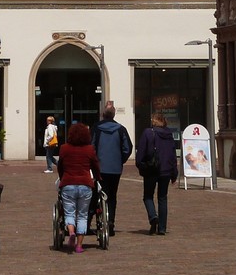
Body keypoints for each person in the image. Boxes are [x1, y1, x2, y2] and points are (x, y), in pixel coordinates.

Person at [56, 121, 99, 254]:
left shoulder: (64, 148)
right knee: (82, 215)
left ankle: (71, 231)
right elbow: (95, 166)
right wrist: (98, 177)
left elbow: (60, 166)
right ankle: (79, 246)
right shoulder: (89, 149)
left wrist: (62, 177)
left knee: (69, 212)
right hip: (85, 184)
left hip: (68, 184)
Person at [92, 103, 132, 236]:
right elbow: (128, 148)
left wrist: (94, 161)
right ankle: (110, 222)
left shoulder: (97, 128)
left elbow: (91, 146)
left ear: (103, 114)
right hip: (115, 168)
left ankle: (100, 219)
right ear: (114, 115)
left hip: (100, 167)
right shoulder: (121, 129)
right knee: (112, 196)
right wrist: (121, 160)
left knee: (99, 194)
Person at [136, 111, 177, 235]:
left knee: (148, 196)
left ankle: (153, 216)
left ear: (154, 121)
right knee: (162, 198)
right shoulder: (169, 134)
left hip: (151, 169)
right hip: (165, 170)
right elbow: (172, 155)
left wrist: (141, 166)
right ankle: (162, 228)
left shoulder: (148, 133)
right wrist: (174, 172)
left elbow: (141, 152)